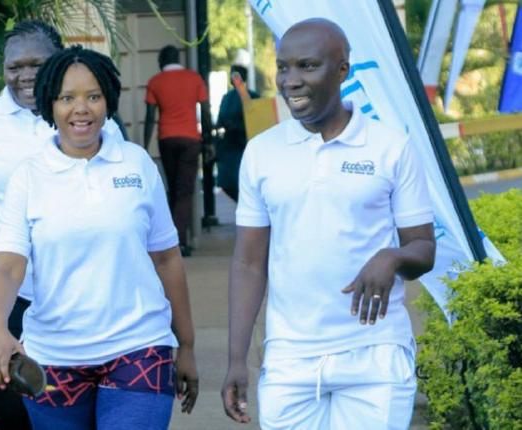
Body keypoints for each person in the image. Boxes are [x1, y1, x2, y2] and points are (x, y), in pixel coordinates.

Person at [220, 18, 436, 429]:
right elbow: (248, 264)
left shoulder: (390, 147)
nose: (291, 81)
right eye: (283, 67)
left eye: (307, 66)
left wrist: (392, 257)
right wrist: (236, 359)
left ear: (342, 71)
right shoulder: (262, 153)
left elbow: (423, 248)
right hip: (290, 359)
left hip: (375, 355)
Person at [0, 46, 198, 430]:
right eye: (67, 98)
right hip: (54, 357)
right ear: (51, 104)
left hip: (139, 347)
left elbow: (167, 258)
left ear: (108, 101)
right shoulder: (29, 176)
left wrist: (188, 346)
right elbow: (7, 264)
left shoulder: (136, 164)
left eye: (93, 96)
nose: (81, 109)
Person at [0, 21, 122, 428]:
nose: (25, 75)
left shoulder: (93, 122)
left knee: (76, 412)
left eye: (38, 63)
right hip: (3, 295)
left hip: (82, 292)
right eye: (14, 66)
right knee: (12, 414)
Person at [143, 45, 212, 257]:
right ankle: (179, 241)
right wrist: (208, 141)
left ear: (161, 61)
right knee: (184, 191)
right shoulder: (194, 78)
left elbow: (150, 117)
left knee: (173, 189)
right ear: (178, 58)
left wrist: (145, 146)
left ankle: (169, 238)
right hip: (191, 139)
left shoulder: (155, 81)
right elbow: (206, 111)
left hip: (166, 139)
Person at [215, 64, 259, 202]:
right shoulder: (227, 98)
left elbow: (257, 120)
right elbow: (220, 121)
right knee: (227, 181)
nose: (233, 78)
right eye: (232, 75)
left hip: (245, 145)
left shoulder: (251, 96)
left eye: (236, 75)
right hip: (229, 146)